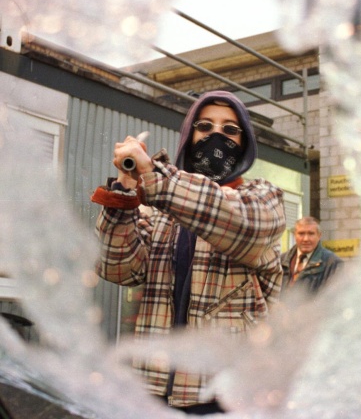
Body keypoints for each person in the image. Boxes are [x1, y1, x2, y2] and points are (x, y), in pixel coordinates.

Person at [90, 90, 285, 415]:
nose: (216, 136)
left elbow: (239, 225)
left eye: (230, 129)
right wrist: (125, 194)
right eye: (205, 126)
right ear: (188, 136)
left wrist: (154, 175)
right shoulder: (161, 208)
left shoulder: (263, 198)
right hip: (152, 389)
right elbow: (119, 269)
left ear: (245, 141)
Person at [281, 217, 342, 292]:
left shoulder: (333, 263)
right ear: (294, 235)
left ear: (319, 236)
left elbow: (332, 297)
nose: (306, 239)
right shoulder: (281, 261)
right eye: (301, 234)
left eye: (311, 234)